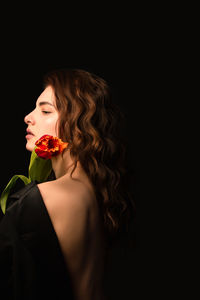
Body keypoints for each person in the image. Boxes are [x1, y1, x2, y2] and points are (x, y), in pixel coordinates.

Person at [0, 68, 135, 300]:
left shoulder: (38, 200)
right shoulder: (95, 196)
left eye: (45, 110)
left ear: (77, 125)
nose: (28, 117)